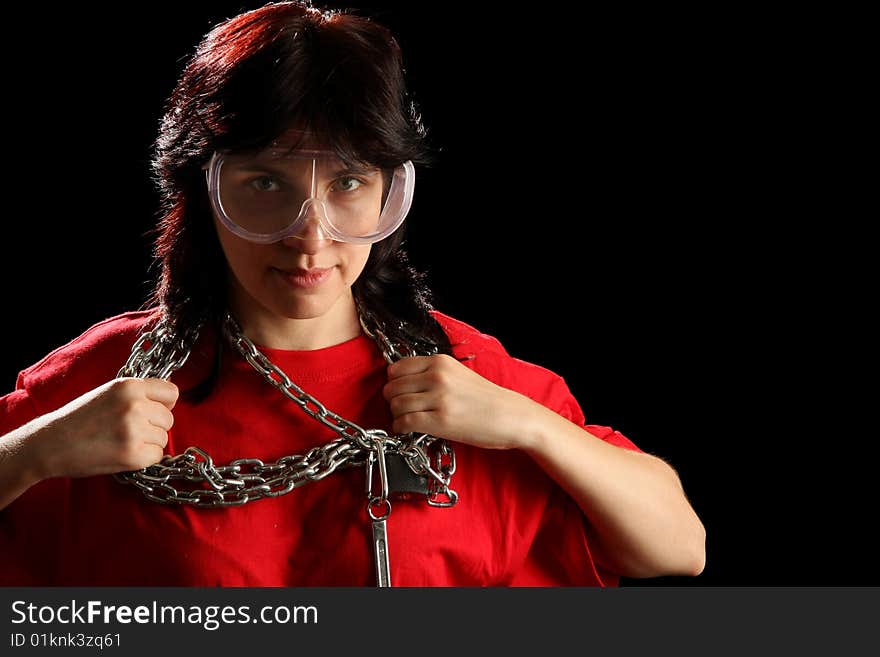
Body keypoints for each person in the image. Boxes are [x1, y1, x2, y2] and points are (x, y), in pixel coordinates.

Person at [0, 1, 705, 586]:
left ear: (388, 192)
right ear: (206, 191)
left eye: (347, 183)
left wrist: (532, 428)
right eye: (266, 184)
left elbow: (678, 547)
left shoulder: (469, 375)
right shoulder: (104, 383)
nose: (310, 238)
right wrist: (33, 451)